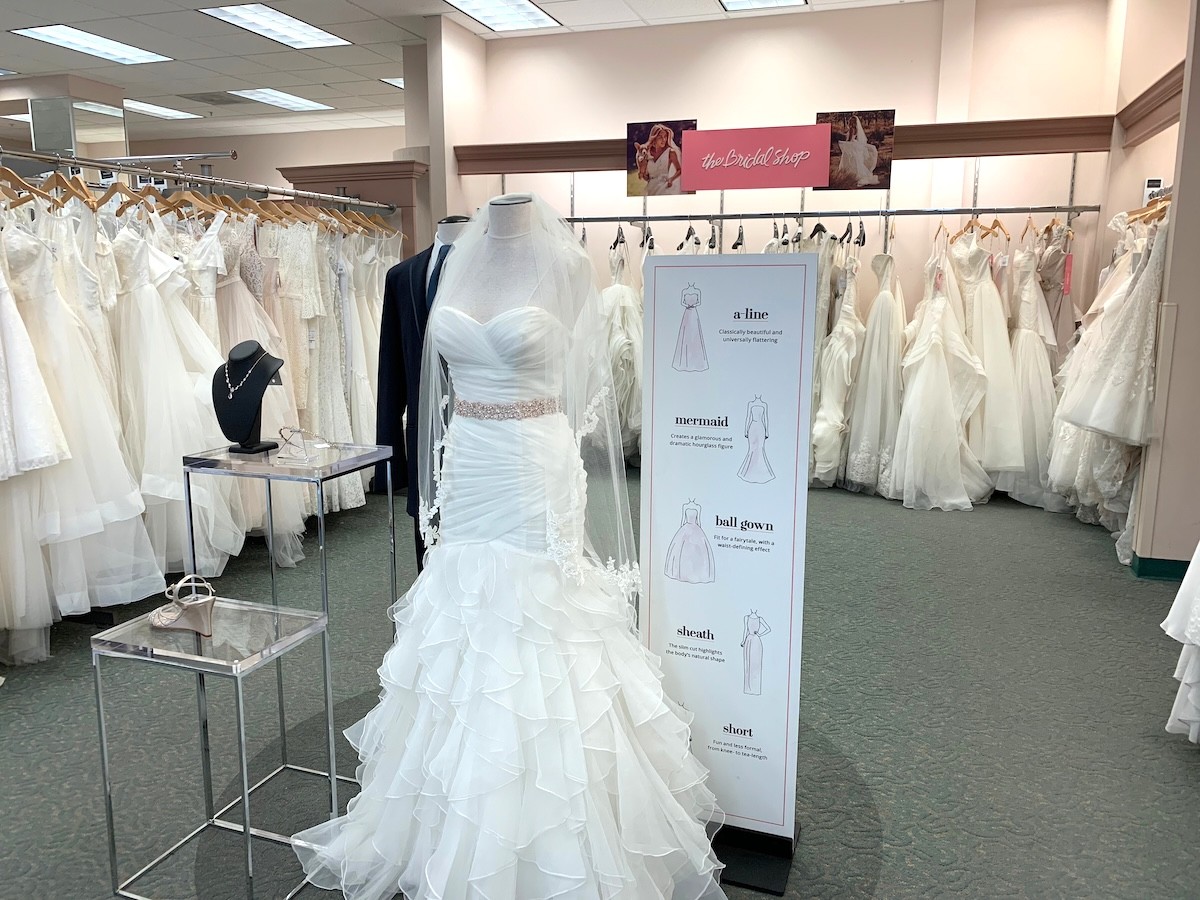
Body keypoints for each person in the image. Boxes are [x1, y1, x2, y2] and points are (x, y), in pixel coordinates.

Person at [637, 123, 683, 196]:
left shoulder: (670, 152)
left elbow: (679, 170)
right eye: (660, 137)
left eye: (665, 136)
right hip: (652, 188)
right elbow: (647, 177)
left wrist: (671, 179)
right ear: (654, 138)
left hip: (665, 186)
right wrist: (643, 173)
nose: (664, 139)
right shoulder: (647, 153)